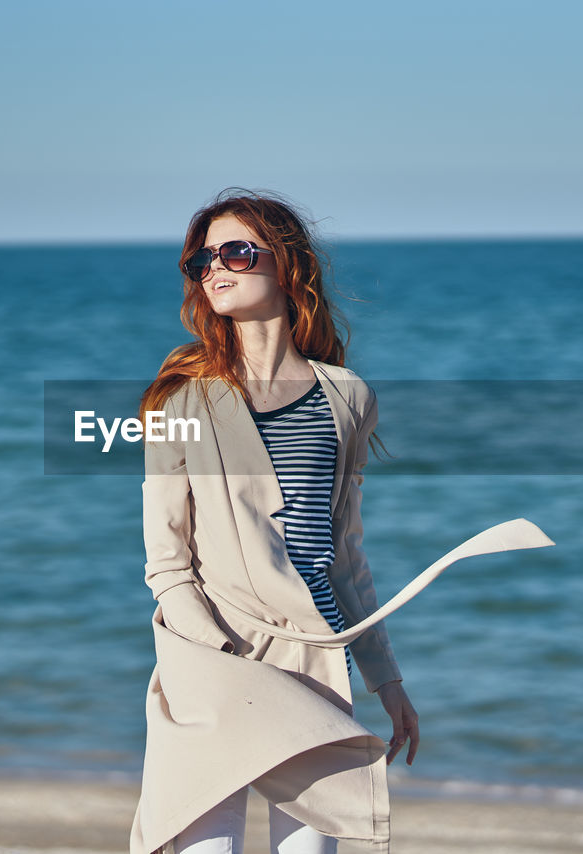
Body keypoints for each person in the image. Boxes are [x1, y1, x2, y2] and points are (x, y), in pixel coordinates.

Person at [130, 189, 417, 854]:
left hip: (314, 656)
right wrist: (218, 652)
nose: (215, 268)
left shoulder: (347, 397)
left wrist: (388, 680)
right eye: (201, 260)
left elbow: (343, 557)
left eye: (235, 251)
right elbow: (166, 564)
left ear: (286, 265)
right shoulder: (182, 397)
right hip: (213, 653)